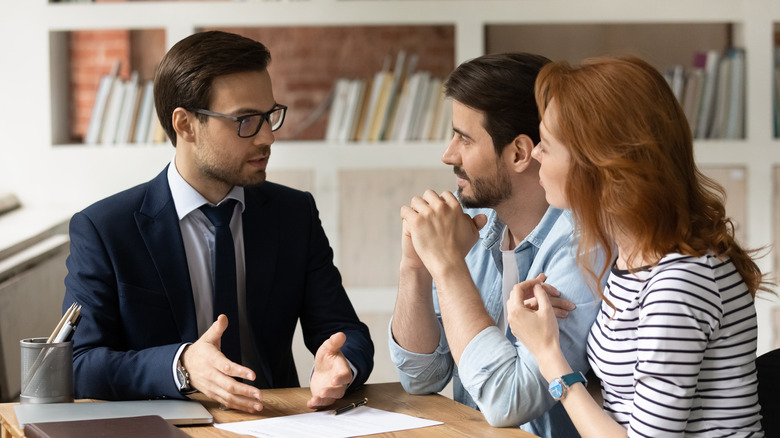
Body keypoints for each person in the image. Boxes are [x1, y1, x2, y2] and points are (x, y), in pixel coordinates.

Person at [63, 30, 374, 413]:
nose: (266, 138)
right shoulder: (105, 229)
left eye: (268, 116)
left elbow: (345, 331)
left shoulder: (294, 214)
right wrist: (181, 365)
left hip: (278, 421)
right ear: (185, 125)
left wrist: (342, 365)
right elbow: (79, 364)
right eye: (245, 120)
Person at [508, 55, 769, 437]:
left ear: (600, 165)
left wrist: (548, 354)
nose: (534, 154)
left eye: (546, 143)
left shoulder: (680, 282)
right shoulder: (633, 258)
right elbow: (624, 403)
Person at [388, 53, 601, 437]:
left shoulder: (582, 245)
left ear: (519, 153)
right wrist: (416, 268)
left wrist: (448, 266)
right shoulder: (478, 231)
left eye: (464, 138)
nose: (448, 155)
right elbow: (420, 376)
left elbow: (510, 402)